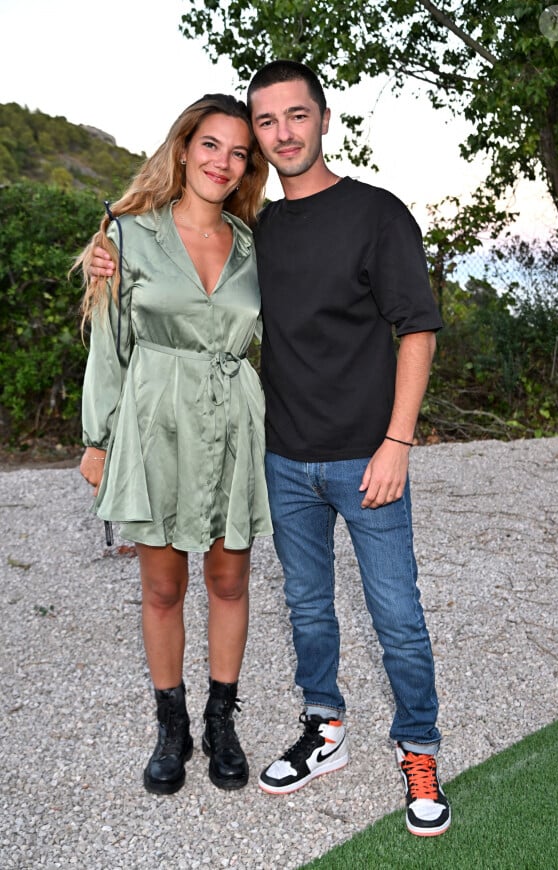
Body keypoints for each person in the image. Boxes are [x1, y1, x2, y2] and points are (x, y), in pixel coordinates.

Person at [89, 61, 451, 837]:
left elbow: (415, 326)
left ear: (323, 120)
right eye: (263, 123)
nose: (276, 135)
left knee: (396, 613)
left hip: (349, 455)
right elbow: (131, 320)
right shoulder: (231, 232)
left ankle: (418, 748)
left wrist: (398, 440)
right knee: (307, 609)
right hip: (272, 454)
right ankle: (313, 728)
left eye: (295, 117)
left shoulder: (360, 217)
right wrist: (99, 431)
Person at [76, 94, 271, 796]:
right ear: (184, 147)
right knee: (162, 586)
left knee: (228, 579)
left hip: (231, 422)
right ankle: (172, 726)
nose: (224, 161)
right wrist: (97, 439)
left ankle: (222, 720)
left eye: (240, 151)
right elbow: (109, 345)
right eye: (211, 145)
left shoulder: (253, 243)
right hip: (155, 419)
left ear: (249, 166)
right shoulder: (127, 235)